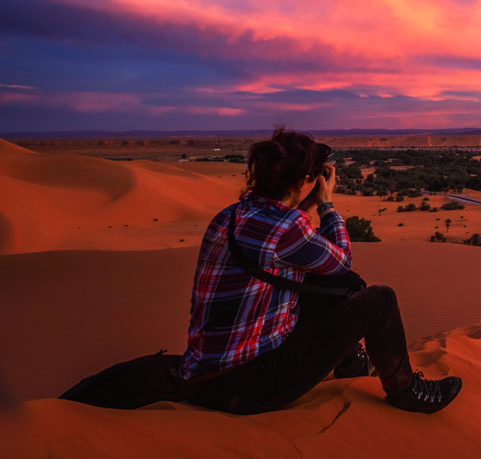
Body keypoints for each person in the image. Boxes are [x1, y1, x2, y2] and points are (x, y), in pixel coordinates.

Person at [181, 127, 461, 415]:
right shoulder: (287, 228)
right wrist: (326, 204)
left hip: (203, 376)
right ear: (306, 181)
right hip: (250, 384)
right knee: (380, 300)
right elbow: (341, 261)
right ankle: (405, 391)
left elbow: (302, 251)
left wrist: (305, 200)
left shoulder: (229, 216)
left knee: (346, 286)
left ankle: (351, 363)